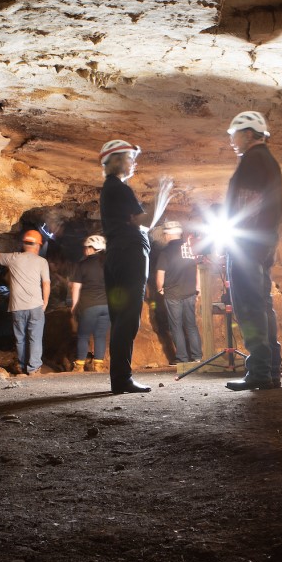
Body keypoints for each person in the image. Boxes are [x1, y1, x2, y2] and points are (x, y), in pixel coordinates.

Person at [99, 139, 172, 394]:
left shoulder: (109, 190)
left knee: (121, 318)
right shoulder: (120, 189)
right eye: (130, 157)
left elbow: (143, 224)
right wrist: (161, 194)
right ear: (117, 159)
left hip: (117, 255)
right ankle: (122, 379)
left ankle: (120, 378)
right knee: (128, 318)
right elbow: (147, 221)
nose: (134, 162)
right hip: (130, 254)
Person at [223, 111, 282, 392]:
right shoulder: (269, 162)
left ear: (249, 134)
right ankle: (270, 370)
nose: (232, 140)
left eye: (234, 134)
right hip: (263, 243)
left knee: (249, 307)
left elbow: (245, 204)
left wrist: (233, 241)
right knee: (264, 305)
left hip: (247, 245)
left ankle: (259, 372)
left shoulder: (252, 161)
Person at [0, 229, 50, 375]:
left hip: (17, 307)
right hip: (36, 306)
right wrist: (44, 303)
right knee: (35, 338)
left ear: (24, 244)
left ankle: (22, 366)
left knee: (20, 339)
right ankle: (33, 369)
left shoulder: (14, 258)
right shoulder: (42, 262)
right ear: (38, 246)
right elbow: (46, 284)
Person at [154, 220, 202, 364]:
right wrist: (198, 288)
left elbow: (160, 273)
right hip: (190, 291)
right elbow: (198, 269)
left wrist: (159, 288)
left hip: (173, 293)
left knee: (176, 326)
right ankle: (197, 357)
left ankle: (182, 358)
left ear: (167, 235)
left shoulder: (166, 252)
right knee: (191, 325)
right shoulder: (189, 248)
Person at [70, 234, 110, 373]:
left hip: (89, 306)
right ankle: (98, 365)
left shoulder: (82, 265)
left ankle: (79, 365)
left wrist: (74, 306)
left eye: (86, 248)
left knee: (83, 336)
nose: (84, 250)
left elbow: (76, 287)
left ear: (92, 248)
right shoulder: (109, 264)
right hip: (107, 306)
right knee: (100, 336)